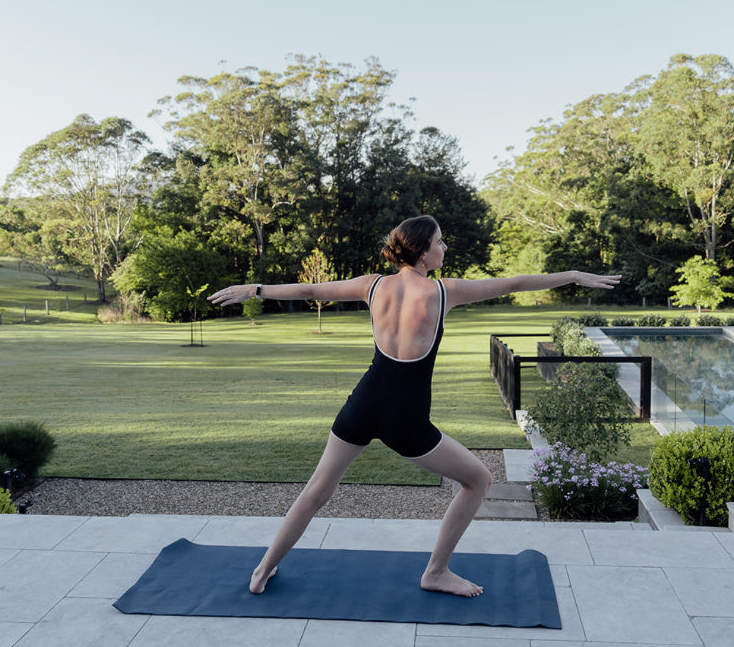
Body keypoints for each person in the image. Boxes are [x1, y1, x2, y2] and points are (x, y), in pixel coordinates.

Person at [208, 215, 620, 597]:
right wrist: (573, 276)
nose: (446, 248)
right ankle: (436, 572)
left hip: (364, 402)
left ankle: (262, 571)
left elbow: (313, 290)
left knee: (317, 491)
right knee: (478, 480)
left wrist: (256, 289)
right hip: (405, 418)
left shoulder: (373, 285)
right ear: (423, 252)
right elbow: (513, 283)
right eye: (441, 242)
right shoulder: (445, 291)